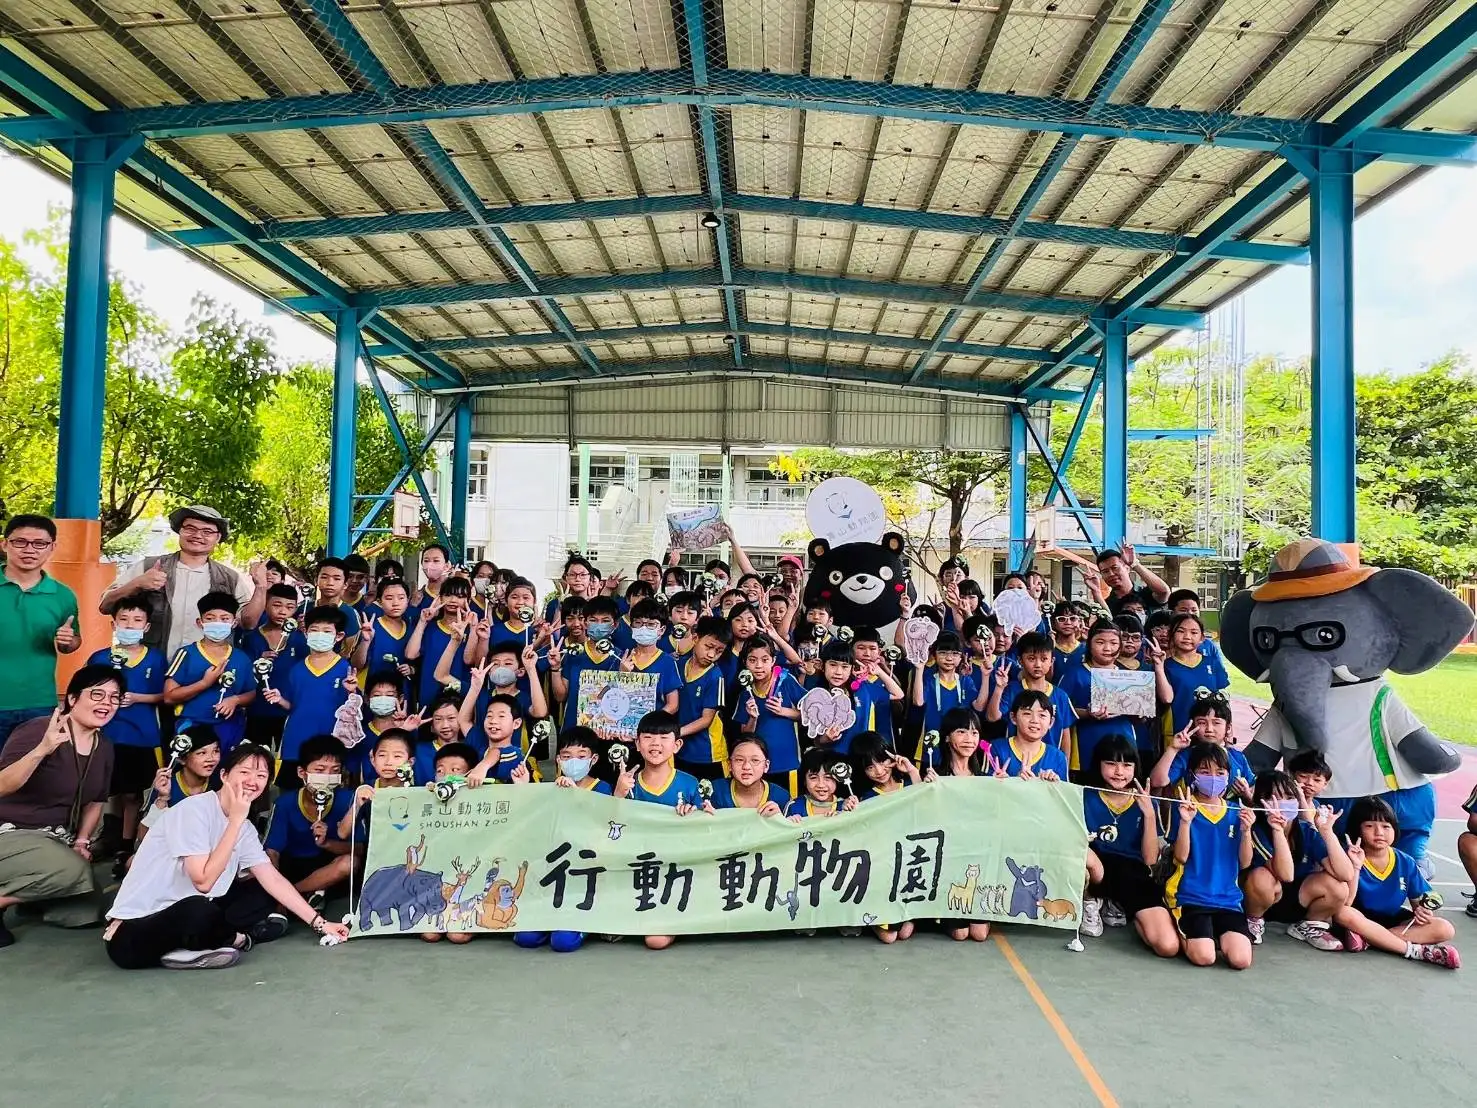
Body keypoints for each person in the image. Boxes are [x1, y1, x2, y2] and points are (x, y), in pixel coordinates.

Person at [103, 741, 349, 969]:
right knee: (199, 910)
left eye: (262, 775)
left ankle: (193, 948)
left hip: (190, 916)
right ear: (224, 776)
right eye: (245, 772)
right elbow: (203, 882)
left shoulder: (244, 827)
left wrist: (320, 924)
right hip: (133, 936)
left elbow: (271, 877)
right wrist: (235, 821)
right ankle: (237, 939)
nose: (253, 781)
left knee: (262, 891)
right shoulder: (193, 811)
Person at [0, 665, 122, 947]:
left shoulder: (104, 746)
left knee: (86, 908)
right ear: (72, 699)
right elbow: (3, 785)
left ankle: (32, 898)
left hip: (55, 838)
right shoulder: (38, 730)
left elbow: (96, 801)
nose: (106, 703)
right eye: (97, 694)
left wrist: (81, 840)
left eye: (114, 697)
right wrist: (42, 750)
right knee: (72, 872)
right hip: (11, 831)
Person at [100, 505, 263, 658]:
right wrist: (137, 584)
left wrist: (261, 587)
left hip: (208, 669)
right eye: (190, 528)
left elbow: (247, 623)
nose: (198, 535)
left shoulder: (229, 578)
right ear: (179, 531)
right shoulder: (149, 567)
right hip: (153, 666)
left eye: (207, 531)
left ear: (218, 537)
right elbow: (105, 606)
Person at [611, 710, 709, 951]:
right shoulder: (626, 782)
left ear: (677, 745)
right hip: (635, 868)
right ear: (637, 744)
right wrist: (618, 796)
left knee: (655, 940)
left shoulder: (689, 783)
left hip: (675, 870)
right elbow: (612, 828)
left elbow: (706, 832)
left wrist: (696, 814)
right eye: (648, 737)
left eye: (664, 738)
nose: (656, 744)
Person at [1080, 736, 1178, 956]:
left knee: (1167, 946)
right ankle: (1091, 899)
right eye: (1111, 764)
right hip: (1097, 869)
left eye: (1126, 765)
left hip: (1133, 874)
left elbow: (1150, 860)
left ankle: (1119, 904)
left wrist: (1150, 815)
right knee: (1086, 860)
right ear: (1098, 764)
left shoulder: (1145, 801)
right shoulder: (1084, 796)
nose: (1119, 772)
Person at [1334, 796, 1459, 968]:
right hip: (1359, 920)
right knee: (1343, 913)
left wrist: (1423, 912)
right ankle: (1416, 951)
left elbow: (1420, 902)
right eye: (1370, 826)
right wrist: (1355, 867)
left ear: (1395, 829)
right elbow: (1347, 902)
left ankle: (1372, 940)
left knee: (1445, 928)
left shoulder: (1405, 861)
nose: (1379, 832)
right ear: (1357, 829)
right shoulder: (1348, 856)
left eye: (1386, 826)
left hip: (1392, 921)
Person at [88, 596, 166, 870]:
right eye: (123, 620)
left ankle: (126, 844)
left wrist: (137, 698)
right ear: (113, 624)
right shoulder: (99, 658)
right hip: (105, 737)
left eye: (136, 621)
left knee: (132, 794)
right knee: (102, 791)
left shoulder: (156, 659)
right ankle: (94, 838)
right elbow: (86, 693)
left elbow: (165, 696)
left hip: (141, 738)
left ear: (146, 627)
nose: (129, 625)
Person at [1239, 770, 1353, 952]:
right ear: (1262, 802)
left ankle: (1307, 926)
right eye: (1274, 797)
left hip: (1299, 897)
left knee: (1339, 887)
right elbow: (1286, 875)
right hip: (1267, 898)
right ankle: (1253, 921)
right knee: (1261, 877)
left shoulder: (1306, 829)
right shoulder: (1256, 830)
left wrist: (1326, 832)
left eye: (1289, 797)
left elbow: (1346, 874)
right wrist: (1277, 831)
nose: (1283, 802)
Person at [1164, 742, 1255, 969]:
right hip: (1190, 896)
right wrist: (1185, 823)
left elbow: (1245, 862)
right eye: (1205, 772)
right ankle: (1193, 933)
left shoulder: (1237, 811)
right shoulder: (1185, 807)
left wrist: (1246, 832)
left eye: (1220, 772)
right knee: (1204, 958)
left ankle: (1211, 933)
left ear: (1229, 776)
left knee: (1240, 960)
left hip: (1228, 899)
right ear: (1193, 774)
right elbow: (1181, 857)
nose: (1213, 777)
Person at [1, 515, 82, 746]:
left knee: (33, 775)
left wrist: (68, 640)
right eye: (20, 542)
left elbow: (73, 643)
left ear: (52, 547)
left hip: (38, 703)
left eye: (40, 544)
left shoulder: (63, 594)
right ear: (5, 544)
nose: (30, 550)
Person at [264, 606, 354, 785]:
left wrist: (352, 693)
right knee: (291, 790)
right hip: (296, 741)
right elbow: (293, 705)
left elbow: (353, 713)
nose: (320, 635)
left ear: (339, 636)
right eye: (314, 630)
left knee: (328, 793)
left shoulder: (346, 669)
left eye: (327, 631)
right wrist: (280, 699)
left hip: (331, 743)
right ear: (305, 633)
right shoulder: (296, 669)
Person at [263, 735, 355, 907]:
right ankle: (298, 896)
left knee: (350, 863)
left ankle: (292, 896)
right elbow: (272, 852)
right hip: (293, 867)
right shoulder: (284, 804)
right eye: (320, 770)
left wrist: (327, 843)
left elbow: (360, 850)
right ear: (302, 773)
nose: (327, 777)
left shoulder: (350, 800)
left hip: (330, 869)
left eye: (335, 771)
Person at [163, 592, 257, 753]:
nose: (217, 623)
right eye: (210, 618)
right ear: (200, 623)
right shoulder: (186, 654)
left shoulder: (241, 658)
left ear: (234, 623)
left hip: (230, 727)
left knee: (225, 772)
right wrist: (204, 683)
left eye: (224, 618)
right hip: (193, 726)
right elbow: (169, 697)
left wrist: (235, 700)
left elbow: (251, 694)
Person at [237, 582, 308, 752]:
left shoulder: (299, 639)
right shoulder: (251, 638)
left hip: (288, 710)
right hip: (258, 710)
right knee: (256, 755)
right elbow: (242, 672)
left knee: (286, 756)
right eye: (277, 605)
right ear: (265, 605)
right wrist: (256, 661)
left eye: (290, 607)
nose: (283, 611)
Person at [731, 633, 803, 792]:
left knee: (786, 810)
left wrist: (783, 711)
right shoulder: (745, 692)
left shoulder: (786, 680)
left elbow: (810, 715)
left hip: (787, 762)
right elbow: (745, 734)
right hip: (756, 767)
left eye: (764, 660)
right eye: (752, 660)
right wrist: (752, 718)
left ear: (773, 661)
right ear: (745, 662)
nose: (758, 665)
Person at [673, 615, 730, 779]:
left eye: (719, 651)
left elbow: (706, 720)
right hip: (680, 748)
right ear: (695, 638)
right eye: (709, 646)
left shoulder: (715, 677)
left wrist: (675, 733)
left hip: (708, 753)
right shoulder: (678, 665)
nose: (712, 654)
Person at [1159, 613, 1229, 742]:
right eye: (1181, 631)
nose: (1187, 637)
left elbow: (1223, 699)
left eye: (1194, 632)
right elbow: (1166, 699)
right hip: (1178, 731)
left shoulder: (1212, 663)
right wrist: (1158, 665)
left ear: (1202, 638)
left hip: (1209, 733)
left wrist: (1228, 727)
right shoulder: (1165, 666)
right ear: (1171, 635)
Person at [989, 691, 1068, 780]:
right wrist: (1010, 782)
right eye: (1027, 714)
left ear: (1051, 722)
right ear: (1013, 717)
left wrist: (1052, 785)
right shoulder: (996, 748)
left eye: (1042, 715)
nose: (1034, 720)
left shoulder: (1058, 758)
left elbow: (1063, 792)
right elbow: (983, 789)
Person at [710, 736, 788, 813]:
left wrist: (780, 818)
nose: (746, 767)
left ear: (766, 766)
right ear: (729, 765)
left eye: (755, 760)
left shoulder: (781, 797)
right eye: (739, 760)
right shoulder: (714, 791)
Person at [784, 747, 858, 820]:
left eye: (828, 777)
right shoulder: (794, 806)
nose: (821, 785)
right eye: (813, 778)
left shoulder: (845, 805)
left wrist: (846, 815)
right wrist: (788, 824)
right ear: (804, 780)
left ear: (837, 779)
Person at [1095, 545, 1170, 615]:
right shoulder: (1107, 604)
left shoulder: (1146, 593)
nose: (1111, 574)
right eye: (1105, 571)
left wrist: (1134, 564)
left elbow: (1164, 592)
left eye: (1115, 568)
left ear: (1127, 568)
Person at [851, 730, 919, 799]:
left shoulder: (910, 783)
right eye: (870, 767)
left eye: (882, 761)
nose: (879, 771)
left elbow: (922, 800)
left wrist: (912, 770)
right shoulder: (868, 798)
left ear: (891, 757)